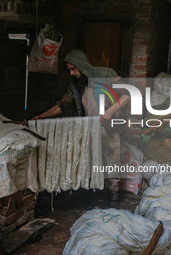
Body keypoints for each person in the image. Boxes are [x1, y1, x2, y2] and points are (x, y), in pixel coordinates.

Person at [32, 49, 130, 205]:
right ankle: (93, 193)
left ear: (82, 65)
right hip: (88, 129)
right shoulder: (76, 86)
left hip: (108, 127)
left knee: (112, 160)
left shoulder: (105, 75)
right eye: (69, 70)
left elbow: (128, 93)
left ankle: (113, 196)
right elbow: (62, 105)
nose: (71, 73)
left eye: (73, 68)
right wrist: (41, 116)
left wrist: (110, 111)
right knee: (90, 160)